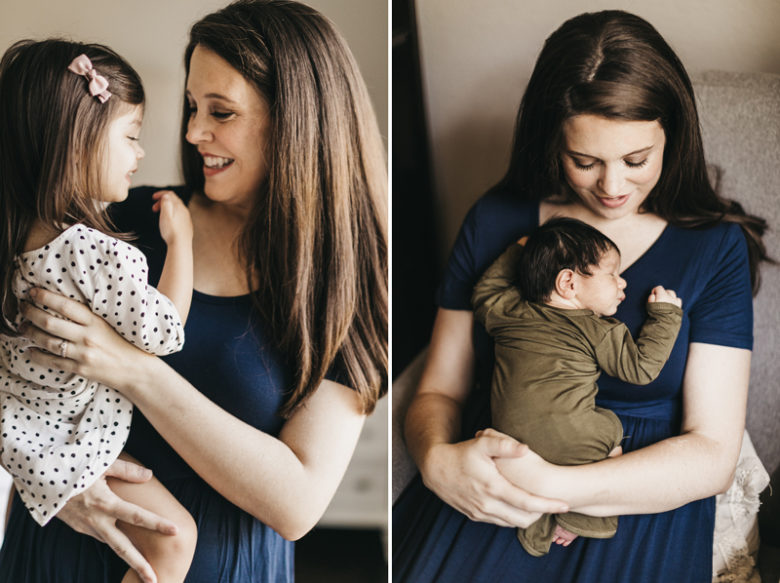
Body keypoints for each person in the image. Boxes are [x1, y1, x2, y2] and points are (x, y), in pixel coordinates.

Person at [0, 1, 387, 582]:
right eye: (191, 106)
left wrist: (134, 370)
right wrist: (50, 478)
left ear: (298, 122)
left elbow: (297, 505)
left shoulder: (345, 283)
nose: (192, 132)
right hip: (53, 557)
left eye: (220, 112)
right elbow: (14, 359)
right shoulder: (124, 222)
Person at [394, 9, 767, 583]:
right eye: (585, 161)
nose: (612, 187)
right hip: (497, 468)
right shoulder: (498, 221)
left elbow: (712, 451)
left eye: (636, 160)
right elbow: (439, 387)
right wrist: (437, 460)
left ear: (672, 136)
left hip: (639, 483)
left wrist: (557, 486)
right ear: (553, 142)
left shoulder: (713, 247)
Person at [0, 39, 197, 583]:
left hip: (18, 435)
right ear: (74, 144)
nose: (140, 154)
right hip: (69, 440)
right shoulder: (95, 254)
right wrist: (182, 242)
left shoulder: (15, 240)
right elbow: (164, 331)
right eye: (131, 137)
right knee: (174, 542)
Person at [472, 217, 682, 556]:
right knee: (611, 430)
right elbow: (641, 368)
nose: (623, 282)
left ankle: (536, 519)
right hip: (575, 440)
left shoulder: (508, 311)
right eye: (612, 274)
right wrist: (666, 316)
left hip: (508, 441)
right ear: (568, 282)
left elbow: (485, 291)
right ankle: (579, 518)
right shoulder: (599, 330)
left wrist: (519, 250)